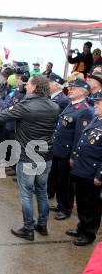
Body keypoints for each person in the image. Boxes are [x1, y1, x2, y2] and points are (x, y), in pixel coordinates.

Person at [0, 75, 59, 241]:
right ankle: (42, 224)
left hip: (27, 156)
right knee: (42, 190)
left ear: (34, 87)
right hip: (46, 156)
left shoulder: (26, 106)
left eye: (29, 84)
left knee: (26, 194)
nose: (26, 86)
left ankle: (28, 228)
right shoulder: (54, 106)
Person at [50, 79, 93, 221]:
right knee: (58, 179)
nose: (70, 89)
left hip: (67, 152)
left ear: (83, 91)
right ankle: (60, 203)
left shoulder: (84, 109)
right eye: (71, 87)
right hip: (59, 149)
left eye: (74, 88)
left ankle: (66, 207)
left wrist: (73, 155)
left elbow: (79, 136)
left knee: (65, 182)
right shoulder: (71, 105)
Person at [67, 90, 102, 246]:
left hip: (93, 171)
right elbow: (82, 140)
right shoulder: (96, 119)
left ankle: (89, 233)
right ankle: (82, 227)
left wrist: (100, 175)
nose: (95, 105)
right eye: (95, 103)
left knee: (92, 205)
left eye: (98, 103)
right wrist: (74, 156)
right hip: (82, 168)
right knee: (81, 201)